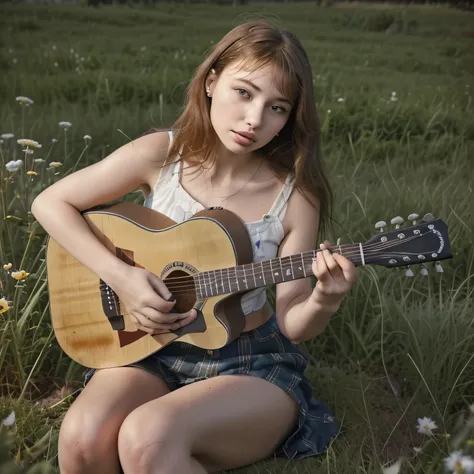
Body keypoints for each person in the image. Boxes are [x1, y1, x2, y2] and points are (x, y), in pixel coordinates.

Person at [31, 18, 358, 474]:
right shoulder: (163, 154)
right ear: (211, 82)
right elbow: (50, 202)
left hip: (249, 360)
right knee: (83, 438)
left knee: (147, 437)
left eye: (277, 108)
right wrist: (122, 277)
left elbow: (294, 320)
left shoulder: (296, 195)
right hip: (148, 347)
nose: (255, 119)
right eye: (244, 92)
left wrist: (325, 297)